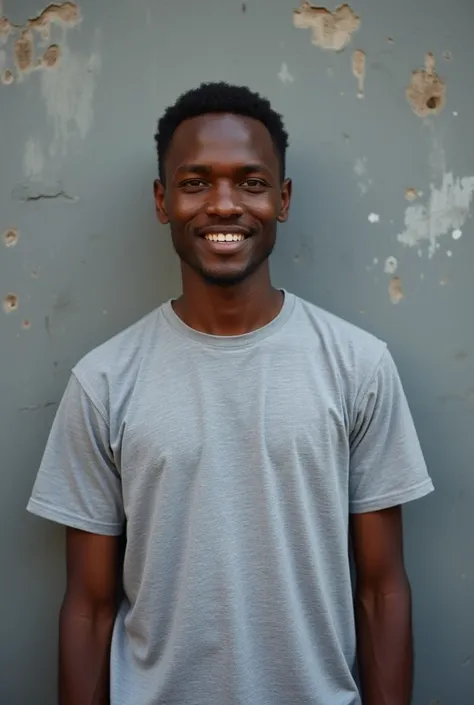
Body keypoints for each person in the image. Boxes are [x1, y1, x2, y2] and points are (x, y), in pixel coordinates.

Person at [27, 82, 434, 705]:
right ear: (162, 202)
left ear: (283, 198)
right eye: (195, 183)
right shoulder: (104, 380)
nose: (223, 205)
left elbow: (382, 590)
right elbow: (88, 605)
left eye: (250, 182)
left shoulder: (358, 365)